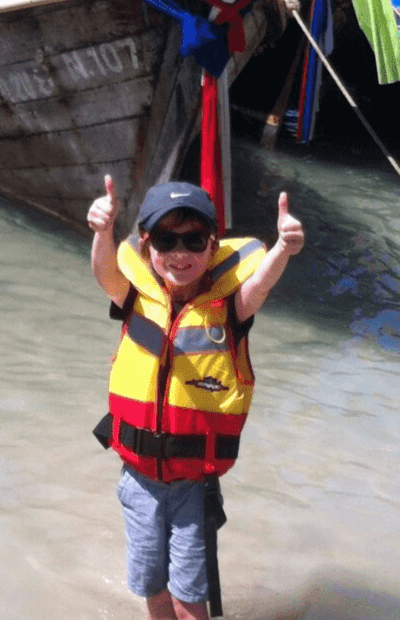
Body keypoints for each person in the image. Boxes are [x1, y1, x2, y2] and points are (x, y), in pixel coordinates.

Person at [87, 175, 304, 620]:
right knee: (152, 587)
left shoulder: (230, 307)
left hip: (193, 485)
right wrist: (102, 232)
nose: (180, 254)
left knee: (190, 600)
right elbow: (105, 273)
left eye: (193, 240)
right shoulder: (135, 296)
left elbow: (259, 286)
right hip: (139, 479)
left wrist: (284, 248)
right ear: (147, 244)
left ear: (213, 245)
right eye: (166, 240)